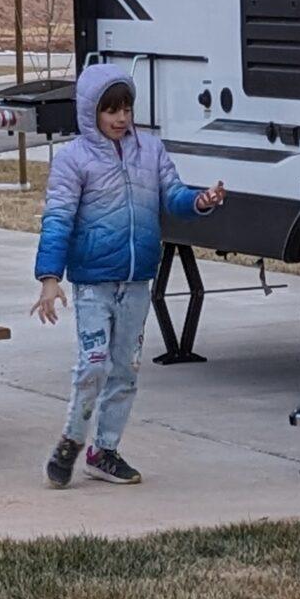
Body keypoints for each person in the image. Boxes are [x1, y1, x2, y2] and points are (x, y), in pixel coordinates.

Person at [32, 62, 225, 486]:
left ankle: (105, 450)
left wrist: (200, 201)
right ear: (90, 112)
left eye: (126, 108)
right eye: (110, 110)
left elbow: (172, 194)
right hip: (93, 284)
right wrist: (50, 277)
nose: (120, 118)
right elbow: (58, 219)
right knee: (94, 364)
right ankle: (71, 440)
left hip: (137, 281)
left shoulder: (151, 150)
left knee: (126, 368)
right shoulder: (73, 161)